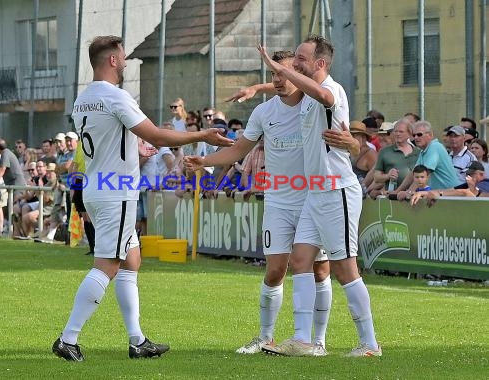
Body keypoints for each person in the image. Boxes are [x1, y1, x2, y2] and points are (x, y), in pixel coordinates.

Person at [52, 35, 232, 362]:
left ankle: (137, 341)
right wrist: (201, 135)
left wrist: (133, 149)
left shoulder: (83, 99)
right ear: (111, 60)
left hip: (97, 184)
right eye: (122, 57)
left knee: (131, 260)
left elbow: (113, 140)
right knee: (108, 264)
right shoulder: (115, 96)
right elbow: (156, 135)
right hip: (116, 190)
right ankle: (68, 338)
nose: (124, 62)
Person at [192, 50, 359, 356]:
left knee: (320, 271)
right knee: (275, 271)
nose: (279, 81)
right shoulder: (264, 114)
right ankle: (266, 337)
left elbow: (346, 130)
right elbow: (238, 150)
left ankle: (317, 341)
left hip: (313, 199)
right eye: (274, 75)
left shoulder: (314, 105)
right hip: (279, 201)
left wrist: (355, 143)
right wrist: (204, 160)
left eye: (285, 74)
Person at [255, 35, 381, 357]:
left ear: (320, 63)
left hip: (336, 190)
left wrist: (275, 66)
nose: (295, 64)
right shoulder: (306, 95)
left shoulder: (331, 90)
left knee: (344, 269)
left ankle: (369, 344)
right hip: (315, 192)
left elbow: (324, 95)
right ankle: (303, 340)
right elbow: (290, 92)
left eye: (301, 58)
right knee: (300, 262)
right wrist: (258, 88)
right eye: (294, 58)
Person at [395, 121, 459, 200]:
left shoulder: (434, 147)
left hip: (451, 197)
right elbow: (413, 174)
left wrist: (409, 192)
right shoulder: (424, 151)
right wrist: (397, 191)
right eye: (414, 135)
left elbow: (423, 173)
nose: (416, 138)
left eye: (419, 134)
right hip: (440, 196)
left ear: (430, 135)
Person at [410, 161, 489, 206]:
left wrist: (438, 194)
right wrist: (425, 193)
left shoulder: (485, 183)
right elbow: (448, 191)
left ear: (481, 174)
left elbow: (466, 192)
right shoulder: (466, 184)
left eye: (472, 174)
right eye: (467, 174)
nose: (468, 176)